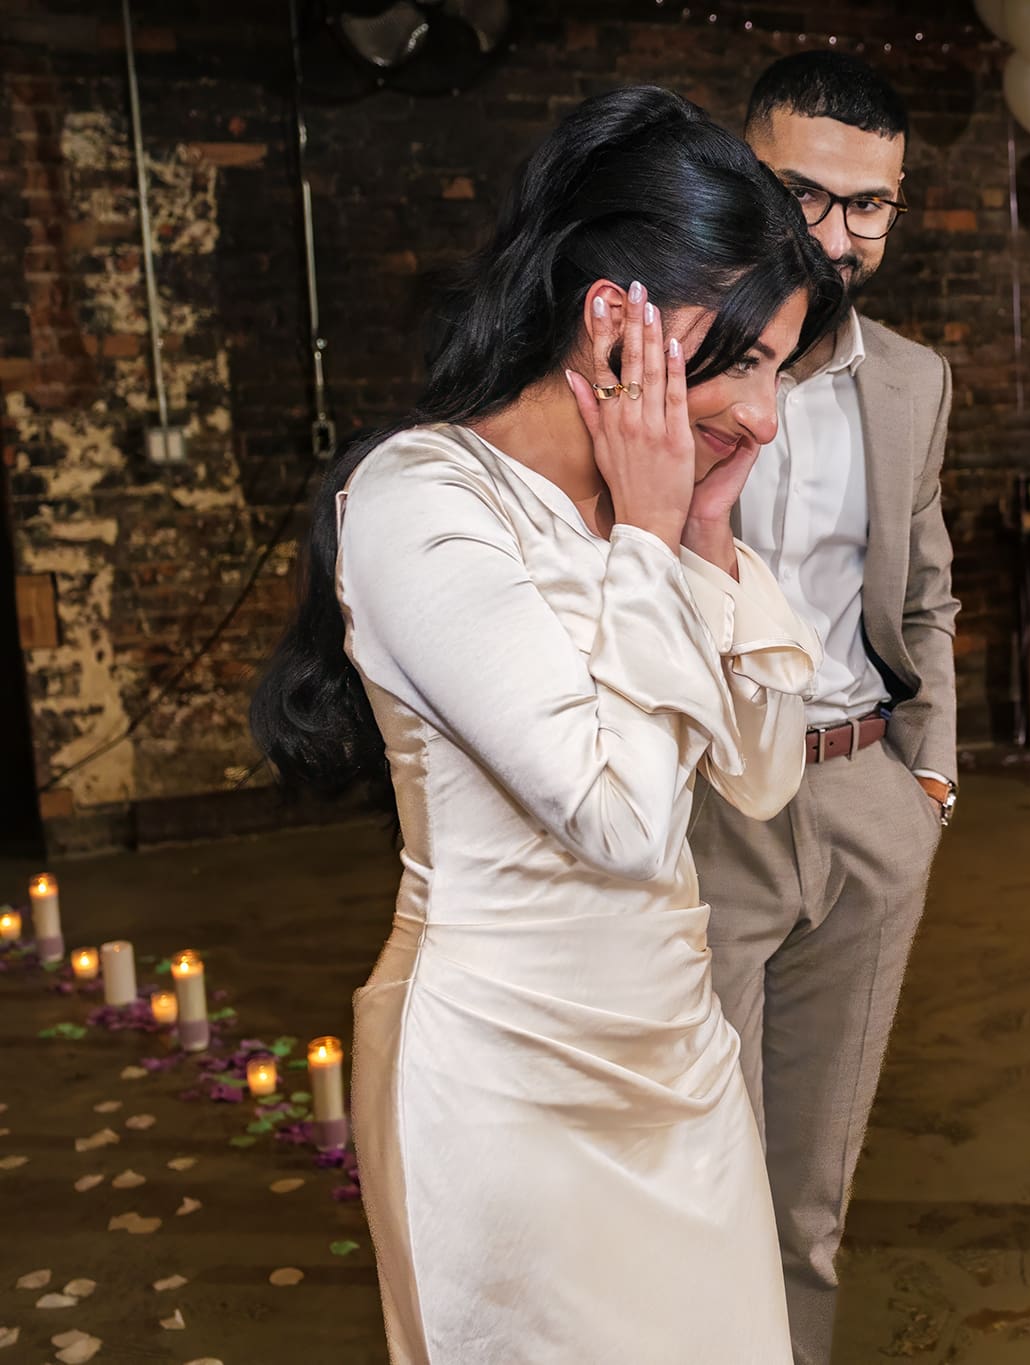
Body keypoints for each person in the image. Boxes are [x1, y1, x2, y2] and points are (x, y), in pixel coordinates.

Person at [248, 87, 843, 1364]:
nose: (763, 414)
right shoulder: (423, 501)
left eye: (778, 371)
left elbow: (759, 775)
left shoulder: (648, 515)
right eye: (743, 360)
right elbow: (621, 824)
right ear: (614, 317)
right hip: (506, 1086)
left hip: (678, 1063)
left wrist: (700, 535)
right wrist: (651, 532)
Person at [688, 52, 958, 1364]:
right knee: (700, 1181)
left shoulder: (912, 381)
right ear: (741, 177)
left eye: (870, 205)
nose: (838, 235)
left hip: (863, 801)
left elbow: (927, 593)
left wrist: (929, 779)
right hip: (701, 812)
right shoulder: (662, 361)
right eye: (804, 195)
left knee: (809, 1199)